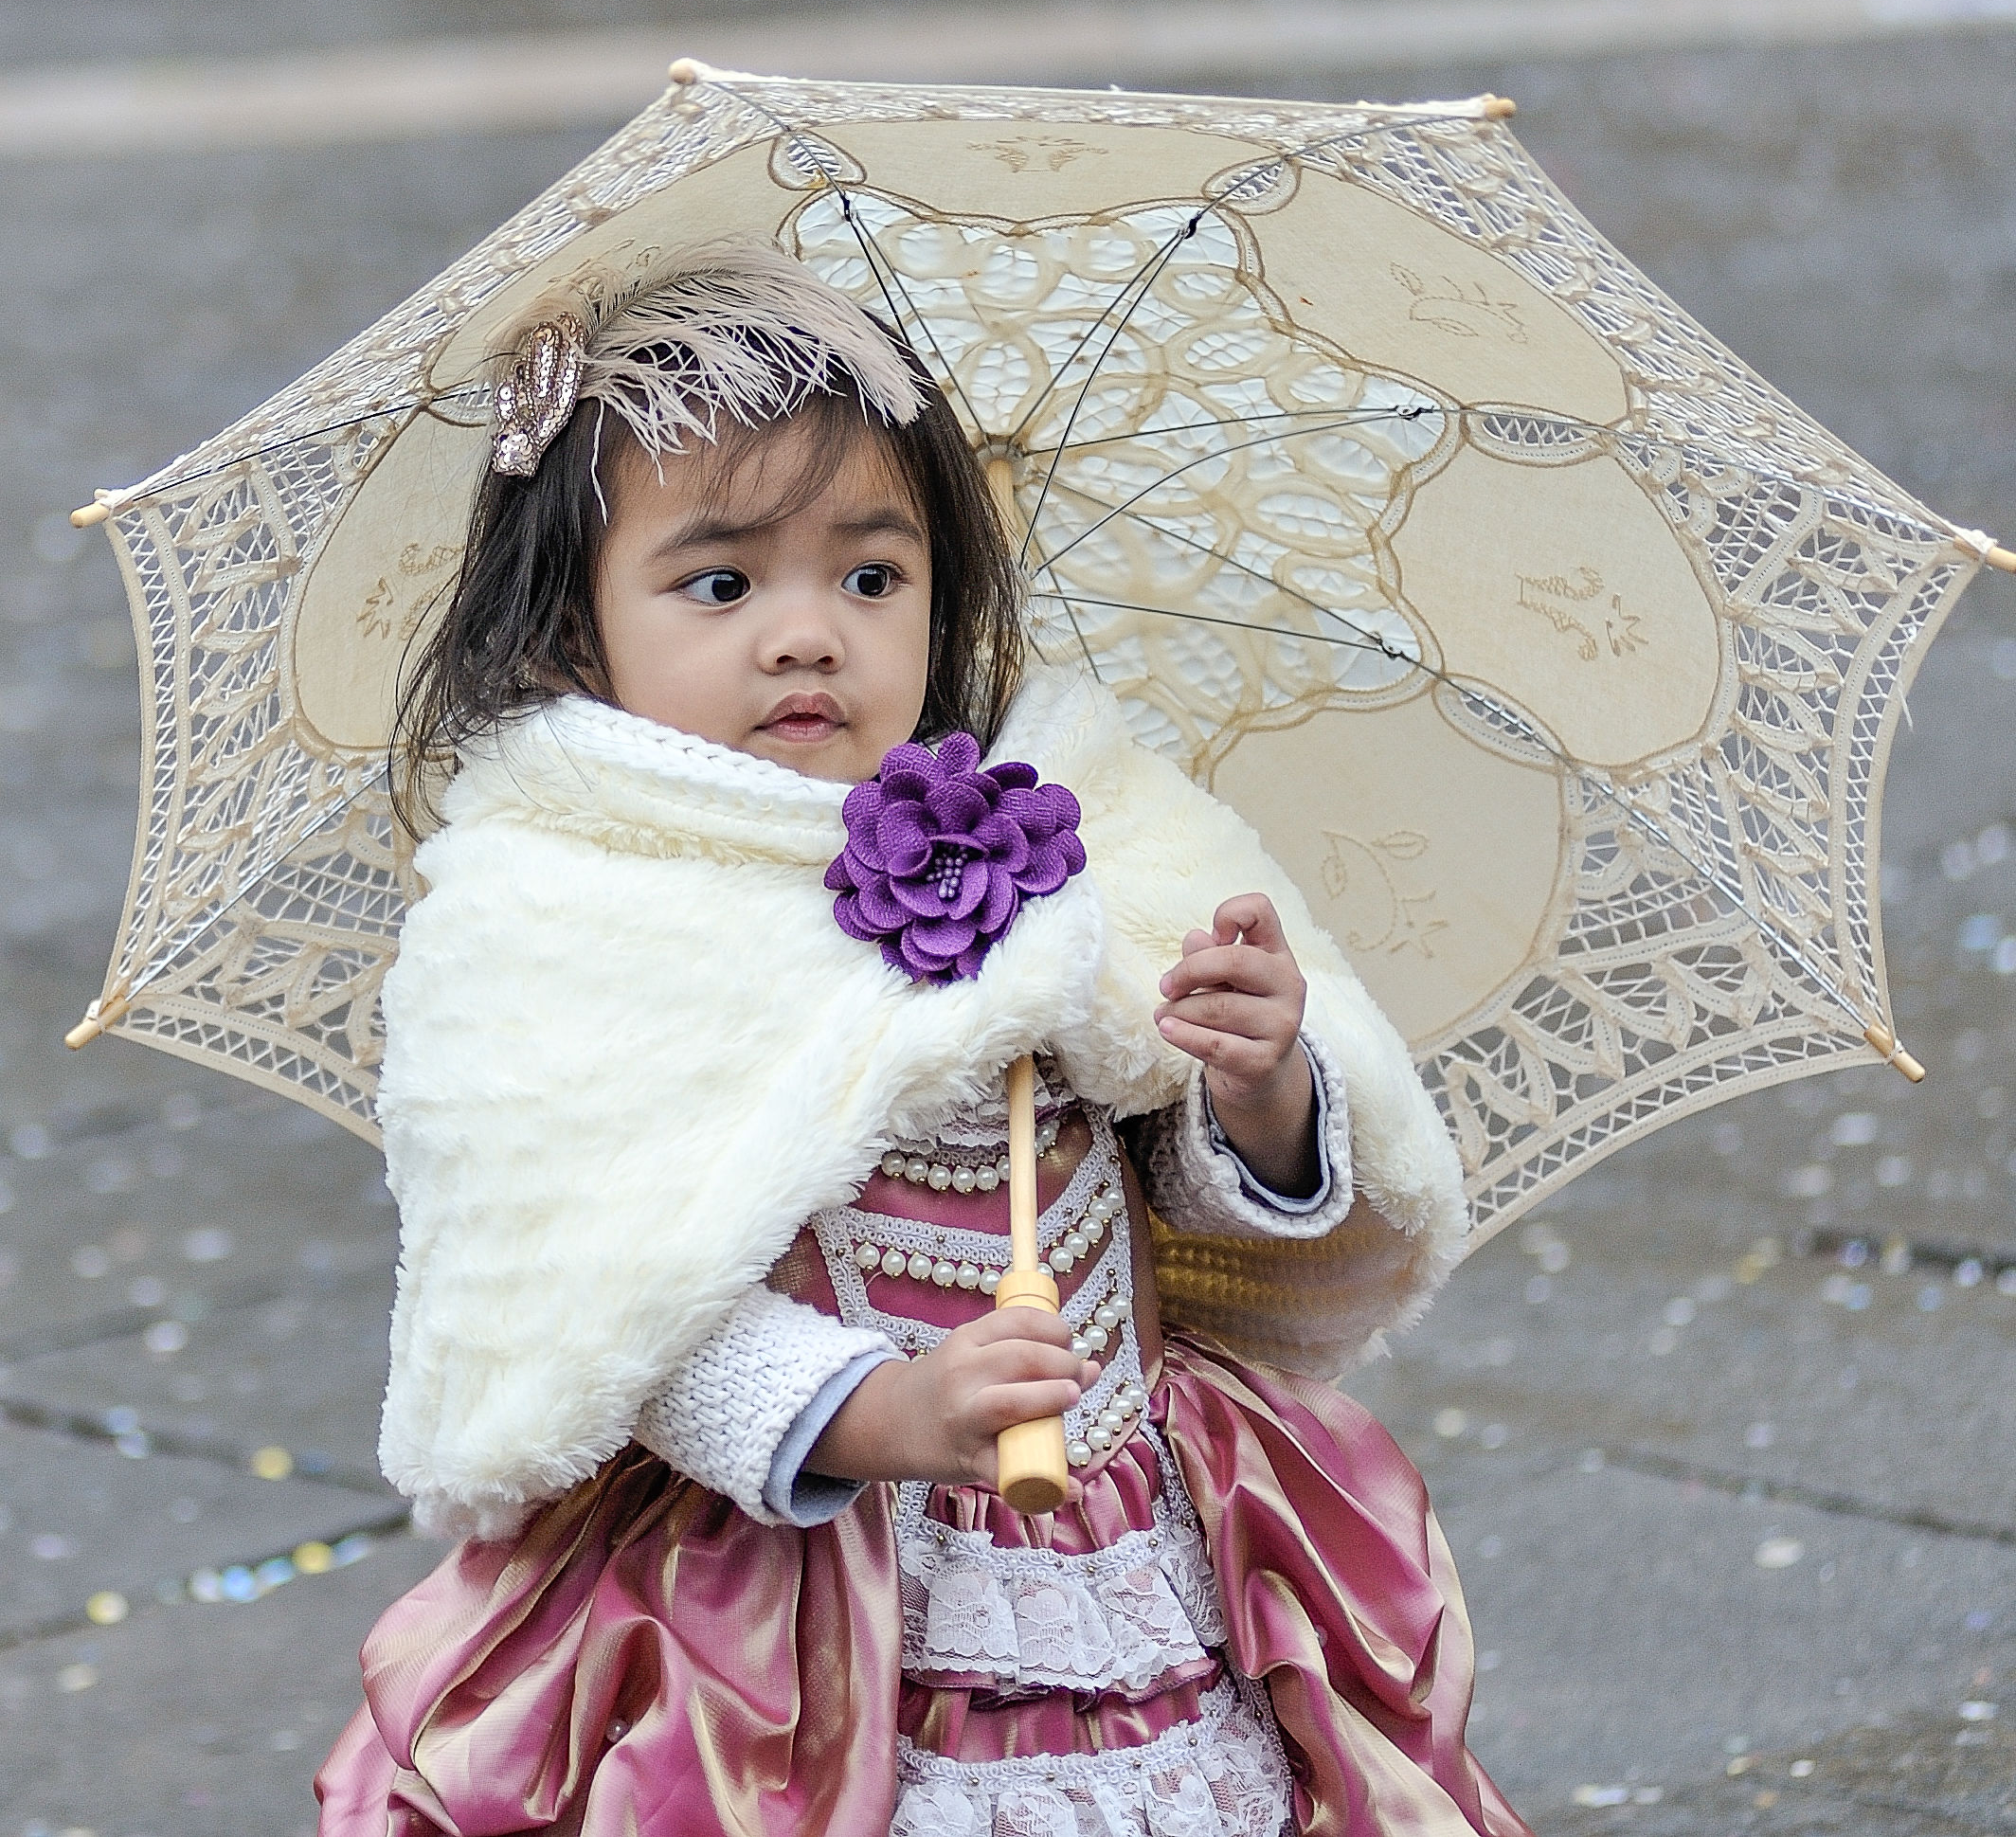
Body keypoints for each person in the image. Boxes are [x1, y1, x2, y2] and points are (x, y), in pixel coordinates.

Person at [314, 244, 1531, 1837]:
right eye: (722, 582)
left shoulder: (1068, 819)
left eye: (871, 577)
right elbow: (609, 1296)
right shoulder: (566, 907)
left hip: (1124, 1531)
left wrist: (1258, 1094)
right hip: (805, 1588)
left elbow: (1167, 1188)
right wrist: (878, 1413)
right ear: (569, 627)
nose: (808, 634)